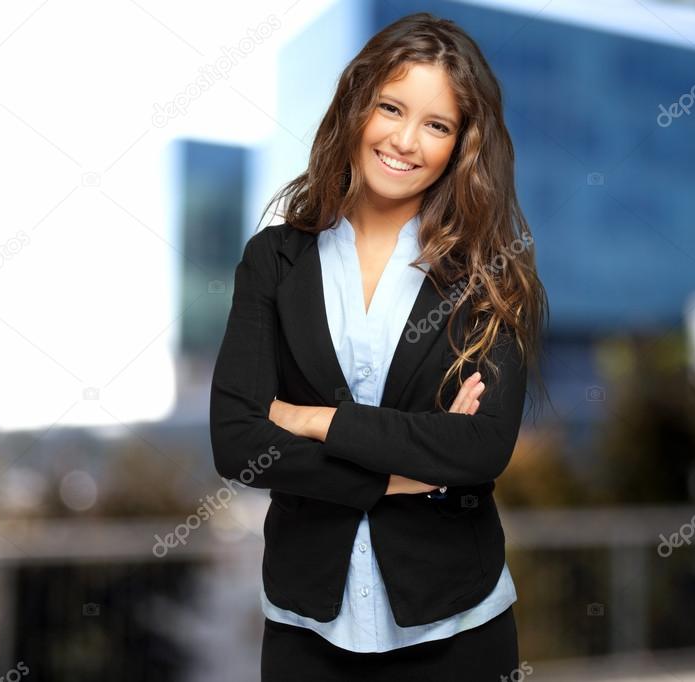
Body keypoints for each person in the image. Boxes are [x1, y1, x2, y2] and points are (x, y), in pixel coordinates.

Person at [209, 11, 548, 681]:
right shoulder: (274, 260)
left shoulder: (490, 276)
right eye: (391, 108)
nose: (405, 140)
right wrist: (405, 470)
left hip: (457, 626)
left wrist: (313, 421)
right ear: (357, 107)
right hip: (307, 628)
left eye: (436, 124)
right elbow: (237, 445)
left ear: (461, 145)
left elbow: (478, 450)